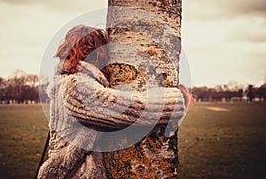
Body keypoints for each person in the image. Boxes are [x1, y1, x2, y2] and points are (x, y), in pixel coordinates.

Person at [37, 25, 191, 179]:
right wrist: (176, 101)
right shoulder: (75, 85)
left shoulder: (68, 82)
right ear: (97, 54)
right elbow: (125, 109)